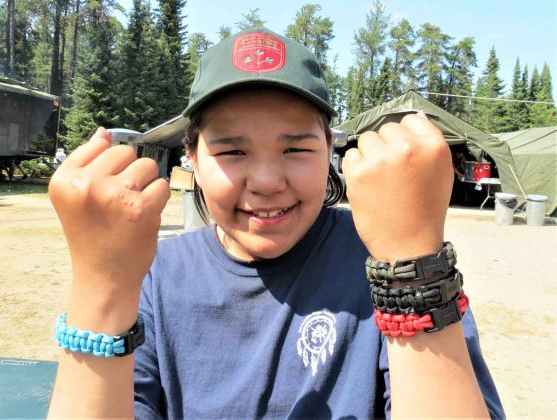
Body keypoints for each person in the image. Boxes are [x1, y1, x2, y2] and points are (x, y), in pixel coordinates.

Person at [47, 28, 504, 418]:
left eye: (296, 149)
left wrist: (414, 266)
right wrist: (100, 283)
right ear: (193, 159)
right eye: (232, 151)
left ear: (331, 150)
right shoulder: (152, 276)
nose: (266, 182)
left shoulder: (387, 261)